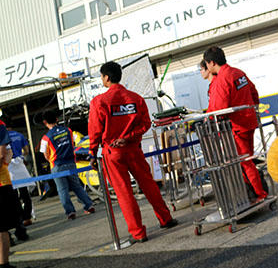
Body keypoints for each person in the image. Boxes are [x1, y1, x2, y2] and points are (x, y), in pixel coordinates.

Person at [88, 61, 177, 246]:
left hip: (112, 153)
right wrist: (128, 137)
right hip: (133, 150)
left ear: (106, 78)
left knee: (124, 193)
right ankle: (166, 219)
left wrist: (92, 152)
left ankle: (138, 233)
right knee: (149, 185)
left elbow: (95, 131)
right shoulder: (136, 98)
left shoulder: (99, 102)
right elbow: (145, 124)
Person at [203, 46, 267, 200]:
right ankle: (250, 192)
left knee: (245, 162)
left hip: (237, 126)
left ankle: (260, 194)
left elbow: (219, 107)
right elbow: (253, 92)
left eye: (206, 64)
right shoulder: (238, 72)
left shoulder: (222, 79)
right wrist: (253, 109)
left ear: (211, 63)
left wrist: (208, 119)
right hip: (249, 122)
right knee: (246, 160)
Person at [40, 111, 95, 220]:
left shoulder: (46, 138)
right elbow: (75, 142)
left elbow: (45, 155)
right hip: (71, 163)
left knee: (62, 190)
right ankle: (89, 205)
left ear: (45, 122)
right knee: (77, 186)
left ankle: (70, 212)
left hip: (57, 166)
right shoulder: (68, 130)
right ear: (56, 119)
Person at [0, 120, 33, 268]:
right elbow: (3, 154)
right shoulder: (1, 127)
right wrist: (6, 159)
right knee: (3, 228)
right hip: (3, 182)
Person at [6, 124, 34, 227]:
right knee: (25, 193)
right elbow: (26, 151)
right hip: (20, 165)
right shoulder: (19, 135)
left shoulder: (3, 136)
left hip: (9, 167)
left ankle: (20, 218)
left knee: (13, 195)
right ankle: (27, 217)